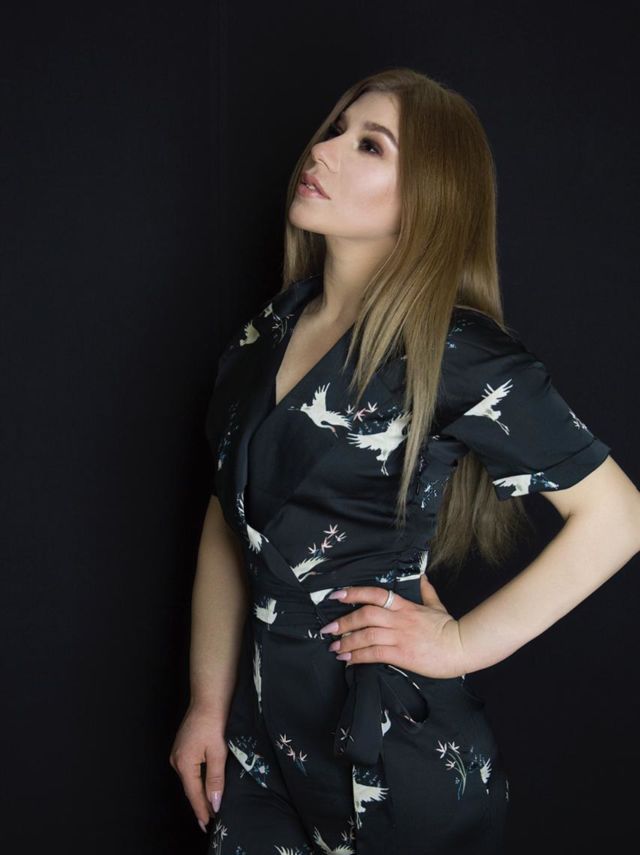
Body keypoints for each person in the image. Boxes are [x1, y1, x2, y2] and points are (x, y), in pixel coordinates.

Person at [169, 68, 640, 854]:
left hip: (391, 752)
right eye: (335, 129)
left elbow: (618, 516)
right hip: (262, 749)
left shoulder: (453, 349)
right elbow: (228, 517)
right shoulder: (270, 329)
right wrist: (206, 704)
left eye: (370, 145)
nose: (323, 150)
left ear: (427, 197)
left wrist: (459, 644)